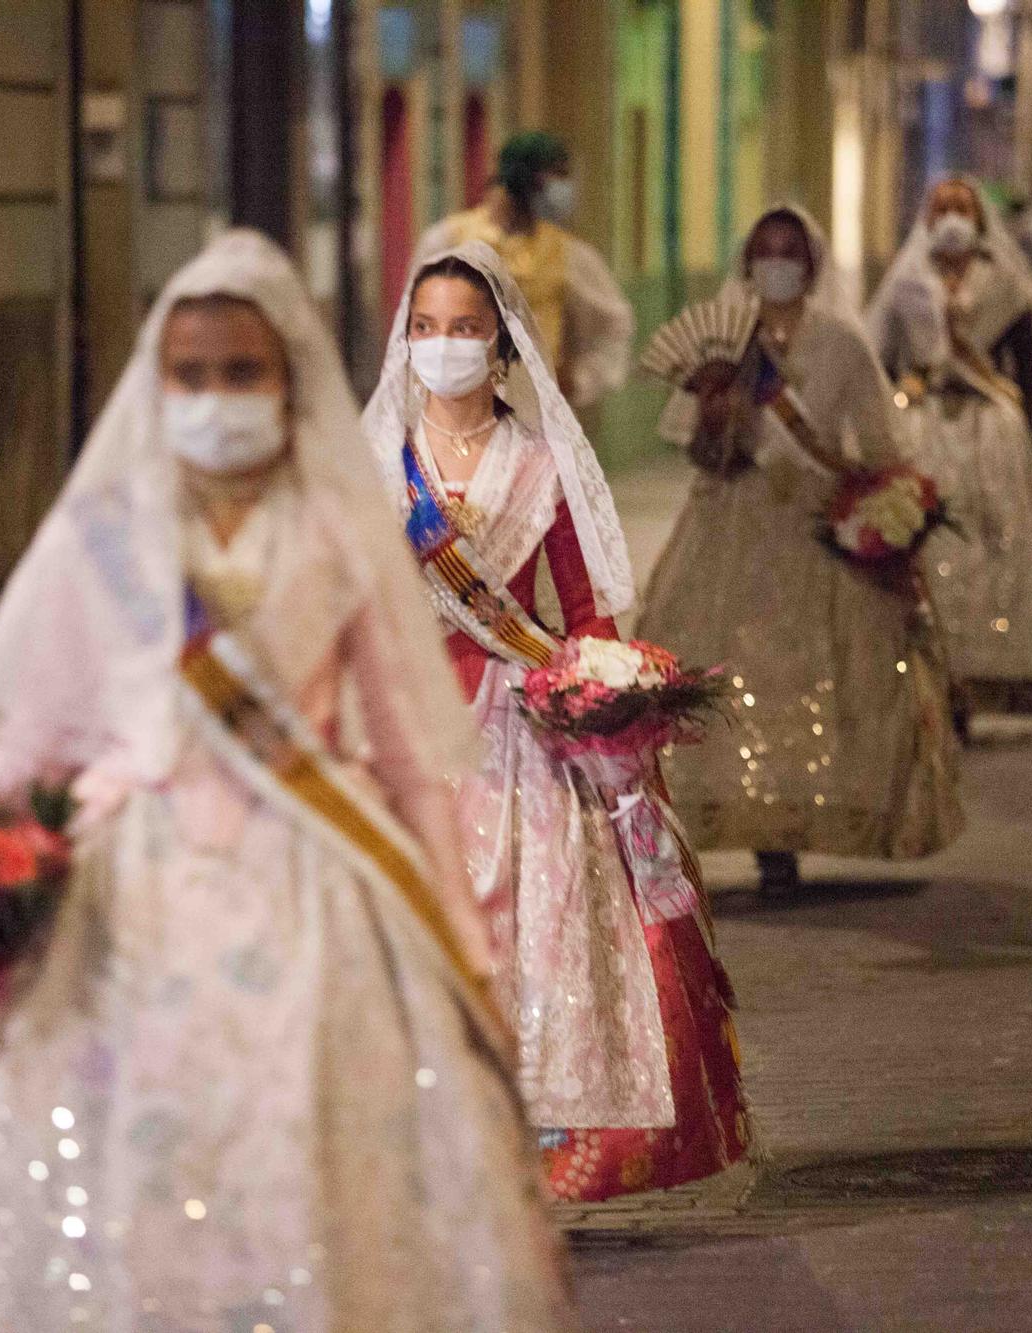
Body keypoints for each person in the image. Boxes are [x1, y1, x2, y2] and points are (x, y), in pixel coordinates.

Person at [0, 231, 576, 1332]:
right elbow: (35, 740)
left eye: (242, 373)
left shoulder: (340, 531)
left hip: (315, 884)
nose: (216, 397)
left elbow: (410, 762)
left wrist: (466, 947)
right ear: (156, 382)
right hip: (123, 885)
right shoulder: (103, 536)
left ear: (288, 384)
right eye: (192, 375)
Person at [361, 243, 750, 1203]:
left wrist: (604, 698)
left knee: (535, 939)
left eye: (463, 328)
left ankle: (531, 1146)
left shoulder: (541, 467)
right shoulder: (374, 469)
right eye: (424, 329)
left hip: (518, 738)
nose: (442, 346)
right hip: (405, 733)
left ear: (501, 343)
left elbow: (580, 613)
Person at [639, 204, 964, 895]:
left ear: (812, 264)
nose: (777, 261)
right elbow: (704, 454)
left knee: (823, 674)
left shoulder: (843, 343)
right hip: (733, 518)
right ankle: (755, 833)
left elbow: (876, 445)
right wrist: (717, 408)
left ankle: (802, 819)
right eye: (764, 249)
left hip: (817, 523)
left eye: (790, 249)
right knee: (731, 667)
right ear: (746, 262)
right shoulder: (730, 343)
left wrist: (887, 511)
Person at [866, 178, 1032, 720]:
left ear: (979, 219)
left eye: (962, 207)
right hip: (923, 424)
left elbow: (1027, 367)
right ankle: (933, 671)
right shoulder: (906, 281)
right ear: (926, 219)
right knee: (929, 543)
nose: (952, 217)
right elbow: (879, 358)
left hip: (991, 430)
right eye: (942, 208)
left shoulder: (1006, 283)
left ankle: (983, 672)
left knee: (991, 544)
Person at [417, 131, 635, 410]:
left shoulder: (566, 252)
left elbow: (614, 325)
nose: (565, 188)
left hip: (537, 415)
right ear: (526, 179)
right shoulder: (448, 241)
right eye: (557, 176)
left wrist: (579, 379)